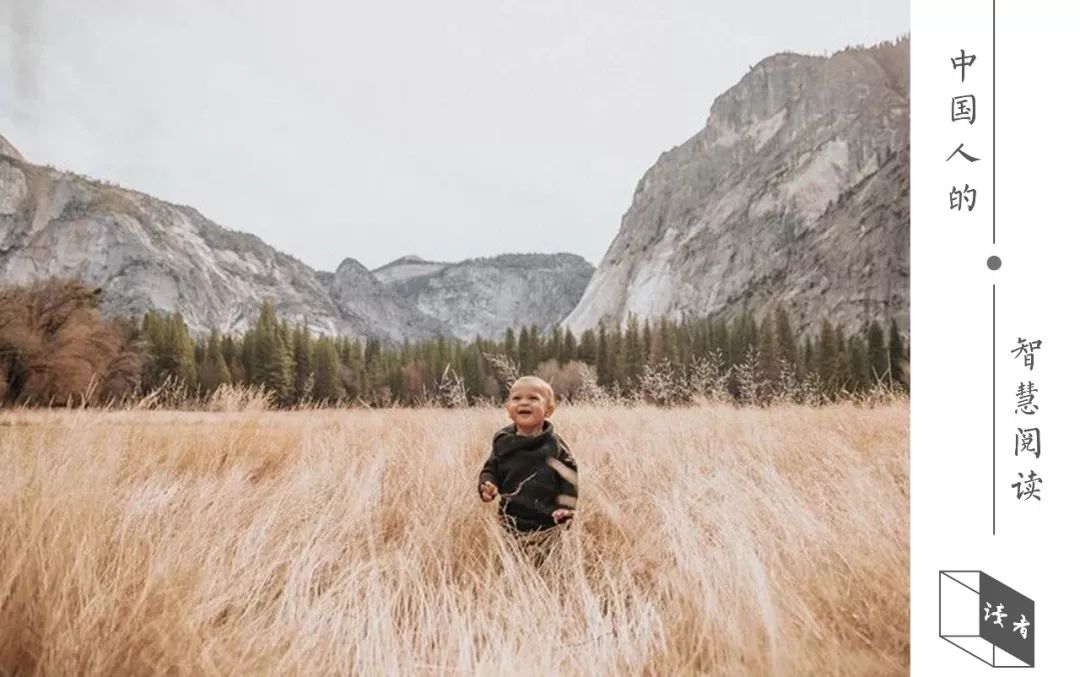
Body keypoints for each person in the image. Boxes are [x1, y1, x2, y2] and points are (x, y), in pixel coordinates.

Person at [478, 376, 578, 563]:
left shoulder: (554, 445)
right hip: (511, 522)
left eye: (533, 398)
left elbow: (569, 476)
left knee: (549, 567)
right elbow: (491, 468)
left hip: (548, 523)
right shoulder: (503, 441)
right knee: (512, 565)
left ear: (549, 410)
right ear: (508, 410)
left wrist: (566, 508)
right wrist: (487, 485)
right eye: (516, 398)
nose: (524, 402)